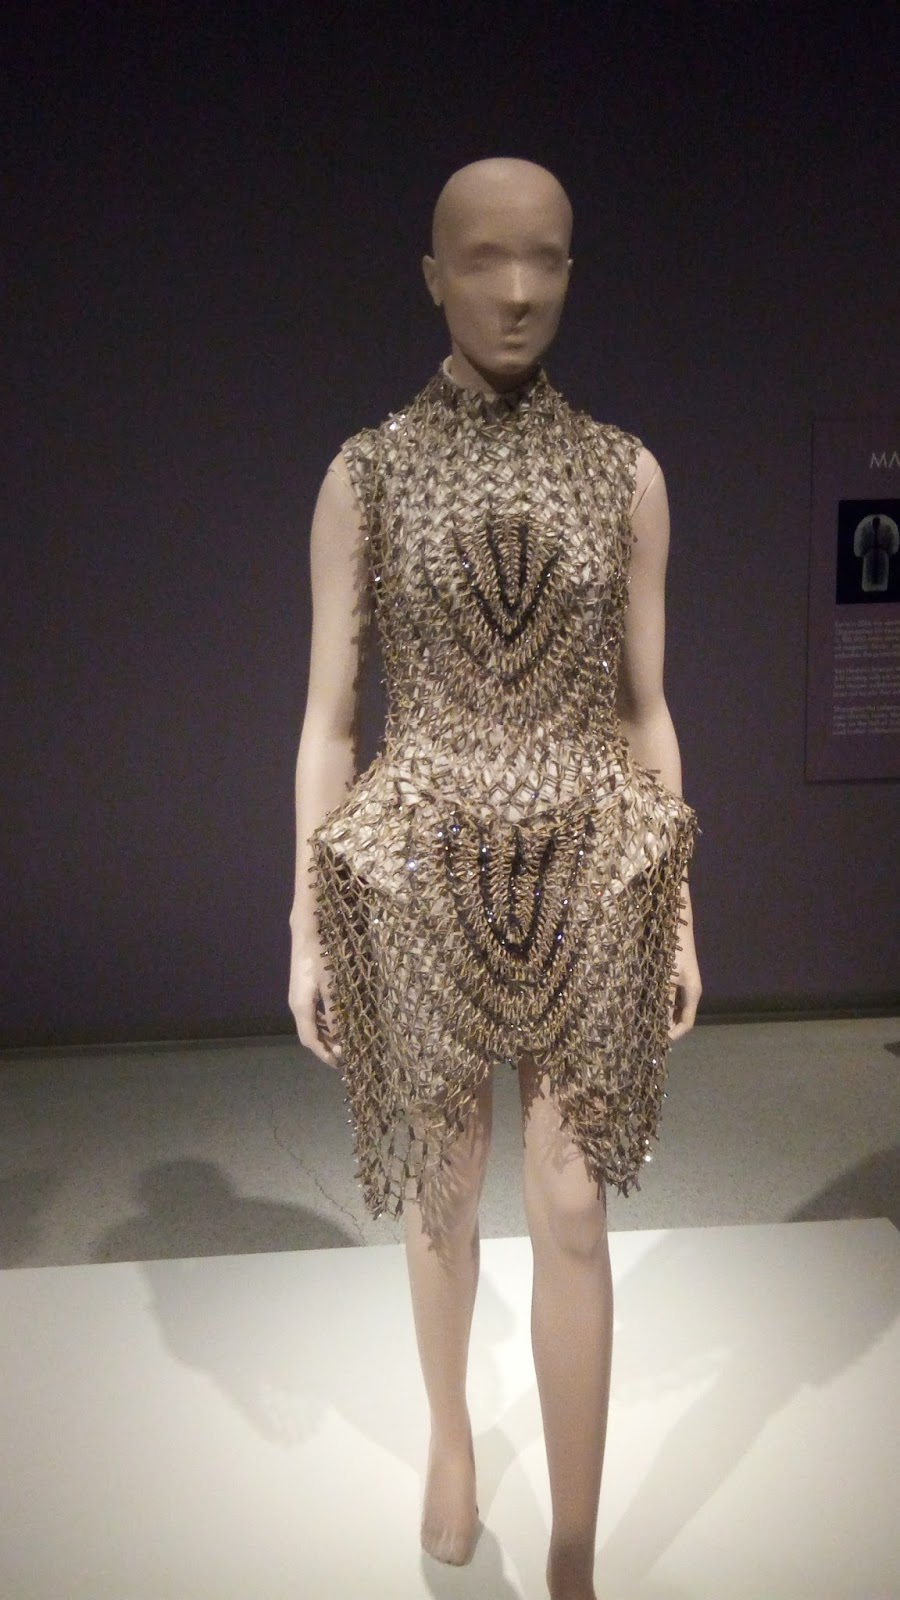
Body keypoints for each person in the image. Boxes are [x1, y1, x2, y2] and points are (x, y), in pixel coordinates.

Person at [289, 157, 700, 1600]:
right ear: (433, 275)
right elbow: (330, 720)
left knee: (575, 1204)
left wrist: (680, 903)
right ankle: (454, 1440)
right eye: (483, 259)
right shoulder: (367, 474)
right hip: (418, 865)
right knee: (443, 1187)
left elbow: (645, 706)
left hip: (594, 856)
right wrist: (306, 920)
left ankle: (575, 1548)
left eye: (544, 260)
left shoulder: (627, 474)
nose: (517, 292)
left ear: (573, 271)